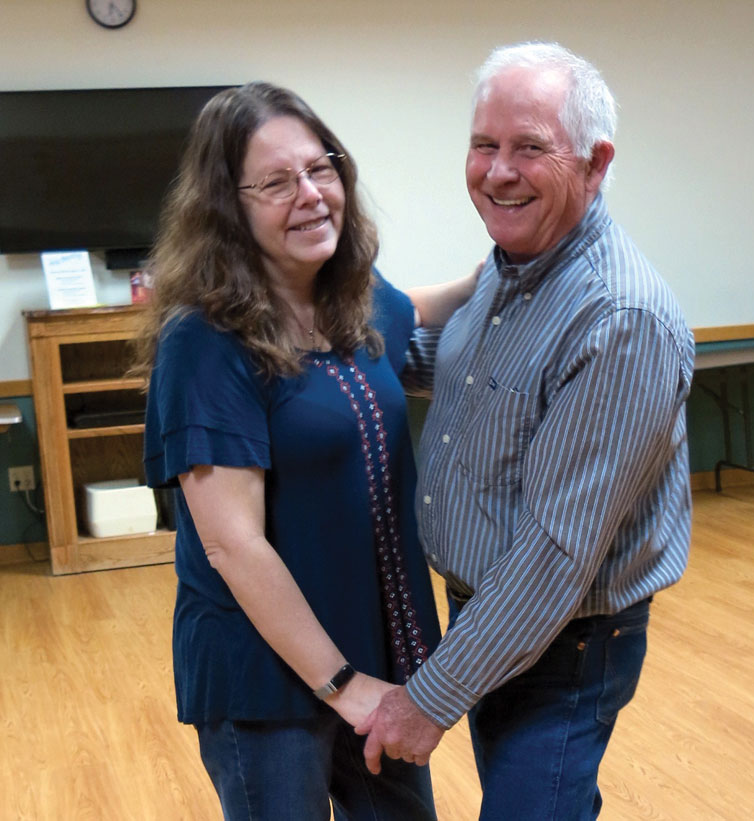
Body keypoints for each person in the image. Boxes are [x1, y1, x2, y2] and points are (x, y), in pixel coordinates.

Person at [359, 41, 695, 820]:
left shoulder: (619, 319)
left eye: (528, 148)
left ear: (595, 161)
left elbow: (555, 552)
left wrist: (429, 698)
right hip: (489, 619)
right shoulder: (510, 267)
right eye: (483, 145)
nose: (497, 171)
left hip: (563, 642)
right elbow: (448, 364)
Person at [132, 81, 474, 821]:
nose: (310, 195)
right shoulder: (204, 341)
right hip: (268, 678)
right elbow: (232, 544)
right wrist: (342, 686)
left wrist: (513, 263)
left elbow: (415, 306)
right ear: (228, 206)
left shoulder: (345, 295)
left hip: (373, 651)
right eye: (277, 183)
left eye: (320, 169)